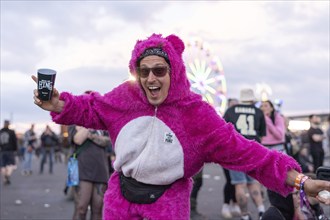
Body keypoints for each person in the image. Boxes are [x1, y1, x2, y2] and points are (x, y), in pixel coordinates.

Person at [32, 33, 330, 219]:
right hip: (119, 198)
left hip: (167, 202)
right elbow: (91, 106)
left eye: (159, 70)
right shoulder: (125, 97)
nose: (150, 79)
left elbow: (251, 155)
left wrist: (302, 182)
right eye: (143, 71)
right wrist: (59, 104)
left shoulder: (196, 114)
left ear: (174, 71)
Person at [223, 89, 266, 220]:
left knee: (239, 184)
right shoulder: (258, 112)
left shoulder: (231, 111)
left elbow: (224, 131)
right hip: (253, 150)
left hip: (235, 151)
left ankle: (245, 215)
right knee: (253, 183)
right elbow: (262, 135)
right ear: (252, 98)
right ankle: (261, 210)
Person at [68, 123, 110, 220]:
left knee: (97, 208)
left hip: (101, 170)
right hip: (81, 169)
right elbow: (78, 140)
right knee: (81, 207)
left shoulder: (101, 121)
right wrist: (88, 124)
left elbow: (107, 141)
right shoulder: (73, 121)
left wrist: (90, 135)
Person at [221, 98, 240, 219]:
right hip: (227, 153)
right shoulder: (226, 117)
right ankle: (226, 204)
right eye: (232, 105)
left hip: (239, 153)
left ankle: (235, 203)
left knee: (238, 182)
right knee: (230, 180)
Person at [0, 120, 18, 185]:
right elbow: (15, 141)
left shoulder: (0, 131)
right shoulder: (12, 132)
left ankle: (5, 178)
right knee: (11, 165)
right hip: (10, 150)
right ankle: (7, 175)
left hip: (2, 150)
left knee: (3, 165)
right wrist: (16, 150)